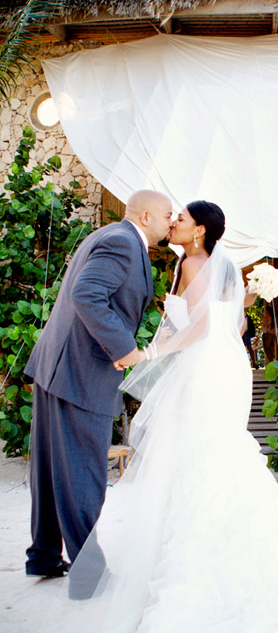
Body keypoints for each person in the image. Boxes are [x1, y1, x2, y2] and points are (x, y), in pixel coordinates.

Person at [13, 200, 278, 633]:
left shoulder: (193, 261)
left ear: (200, 230)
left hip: (204, 372)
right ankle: (60, 559)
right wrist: (142, 349)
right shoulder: (146, 249)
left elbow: (211, 325)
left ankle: (58, 557)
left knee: (194, 456)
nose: (172, 222)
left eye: (180, 217)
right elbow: (107, 300)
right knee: (127, 463)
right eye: (169, 215)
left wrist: (153, 352)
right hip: (145, 367)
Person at [24, 191, 172, 578]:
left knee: (51, 468)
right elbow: (87, 294)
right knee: (83, 471)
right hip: (80, 372)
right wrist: (124, 349)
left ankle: (43, 557)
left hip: (57, 366)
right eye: (166, 215)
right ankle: (88, 575)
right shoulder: (123, 243)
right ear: (145, 216)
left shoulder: (107, 235)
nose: (170, 222)